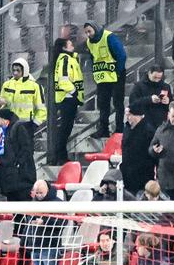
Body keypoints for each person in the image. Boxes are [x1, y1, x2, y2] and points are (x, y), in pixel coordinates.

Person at [81, 23, 127, 137]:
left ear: (95, 29)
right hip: (102, 78)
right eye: (86, 32)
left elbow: (121, 55)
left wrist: (118, 72)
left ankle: (119, 129)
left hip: (116, 76)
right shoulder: (89, 43)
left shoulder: (109, 37)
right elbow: (93, 58)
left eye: (89, 31)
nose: (88, 34)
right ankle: (103, 129)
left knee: (117, 103)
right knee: (103, 104)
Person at [50, 34, 84, 163]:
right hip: (68, 98)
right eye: (70, 44)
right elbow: (63, 80)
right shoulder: (65, 59)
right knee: (65, 128)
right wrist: (74, 91)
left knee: (66, 128)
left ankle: (60, 155)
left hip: (69, 98)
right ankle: (60, 156)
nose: (73, 46)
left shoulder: (69, 59)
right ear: (64, 48)